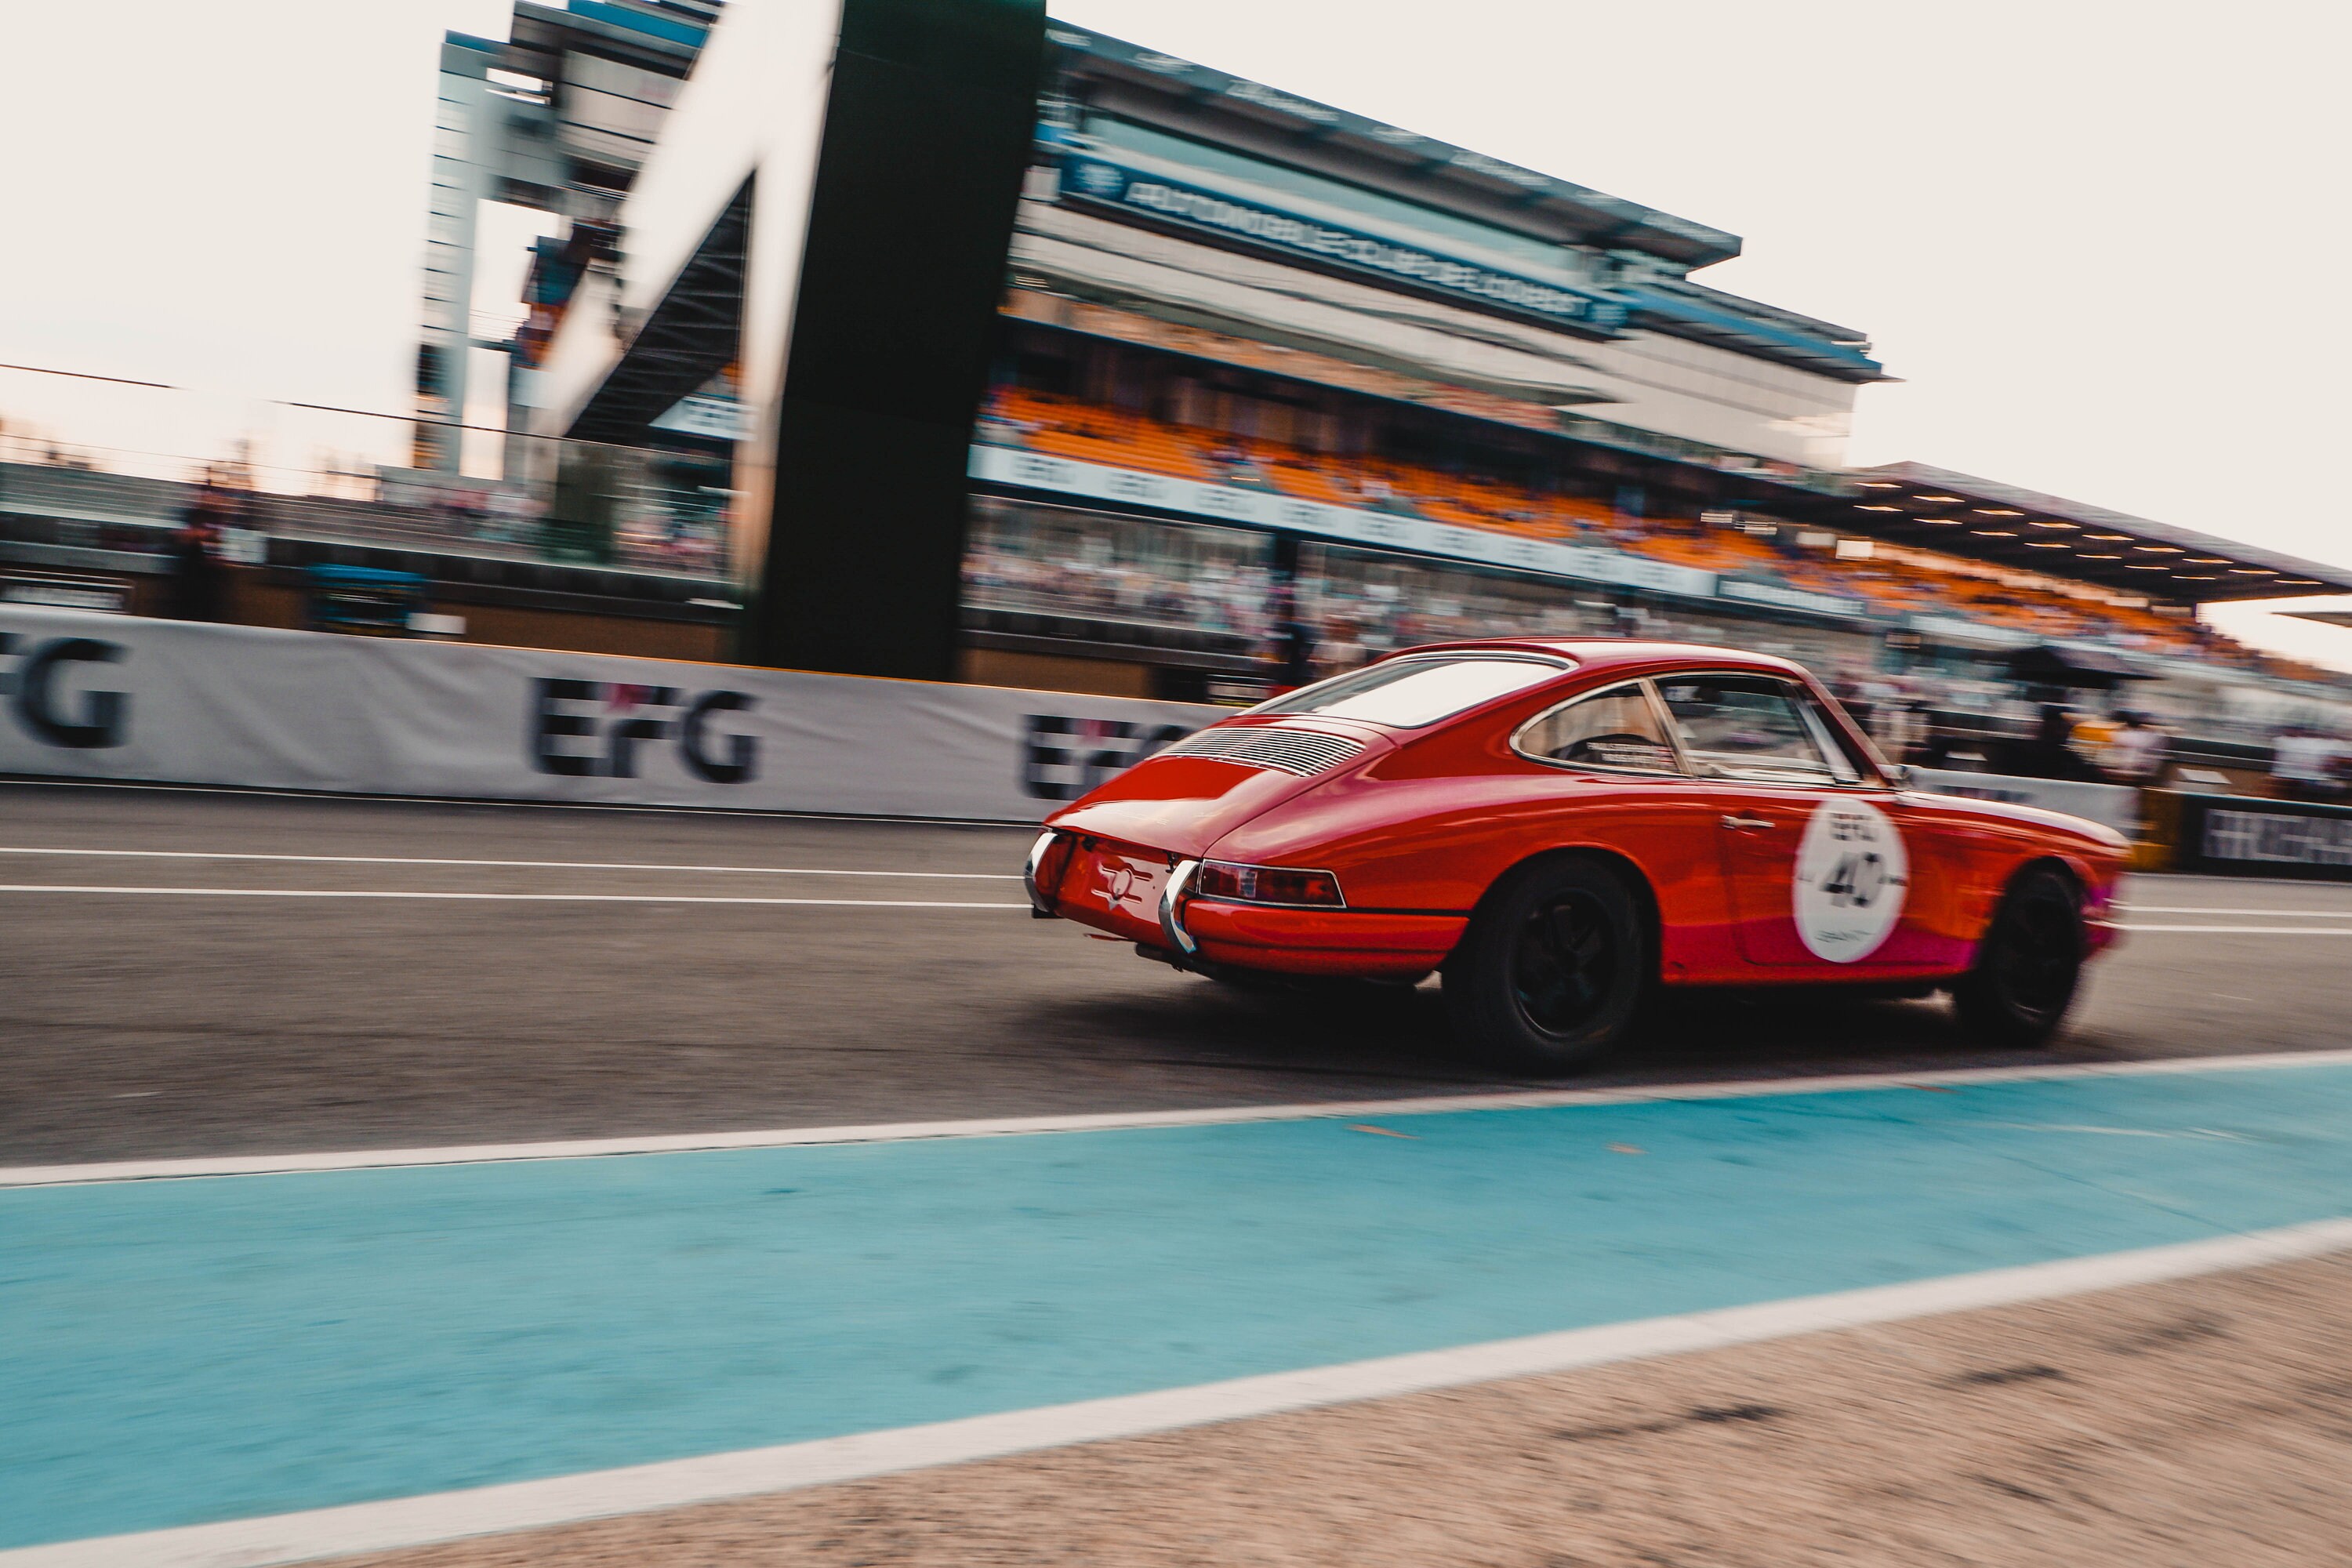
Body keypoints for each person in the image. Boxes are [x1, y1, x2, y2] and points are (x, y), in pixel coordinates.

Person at [165, 484, 230, 622]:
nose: (210, 497)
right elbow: (177, 536)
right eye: (206, 493)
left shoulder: (220, 518)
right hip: (188, 579)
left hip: (212, 585)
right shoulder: (192, 514)